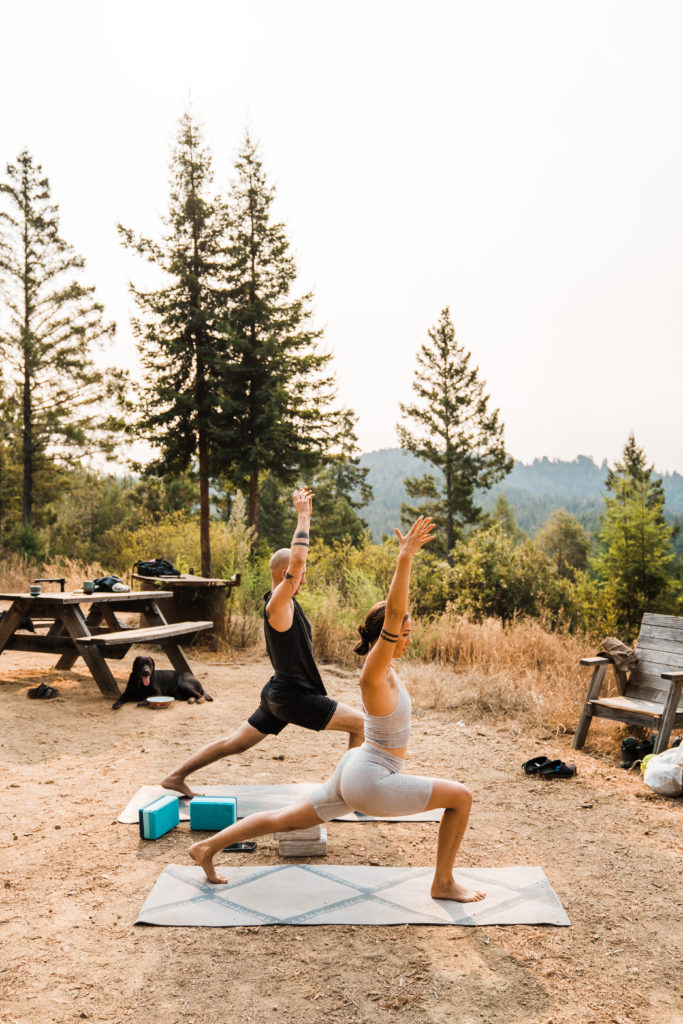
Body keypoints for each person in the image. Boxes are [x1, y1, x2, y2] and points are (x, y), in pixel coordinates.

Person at [189, 516, 486, 904]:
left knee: (284, 818)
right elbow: (394, 614)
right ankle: (442, 882)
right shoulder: (374, 674)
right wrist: (405, 558)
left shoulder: (386, 669)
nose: (409, 640)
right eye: (406, 634)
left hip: (357, 769)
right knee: (460, 797)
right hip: (370, 778)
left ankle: (207, 847)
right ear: (387, 636)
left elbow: (393, 615)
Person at [161, 487, 364, 799]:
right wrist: (303, 516)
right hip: (292, 698)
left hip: (278, 693)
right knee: (360, 725)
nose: (304, 580)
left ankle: (175, 776)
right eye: (301, 575)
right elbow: (298, 558)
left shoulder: (283, 604)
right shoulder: (277, 605)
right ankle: (351, 791)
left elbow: (296, 564)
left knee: (235, 743)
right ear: (286, 575)